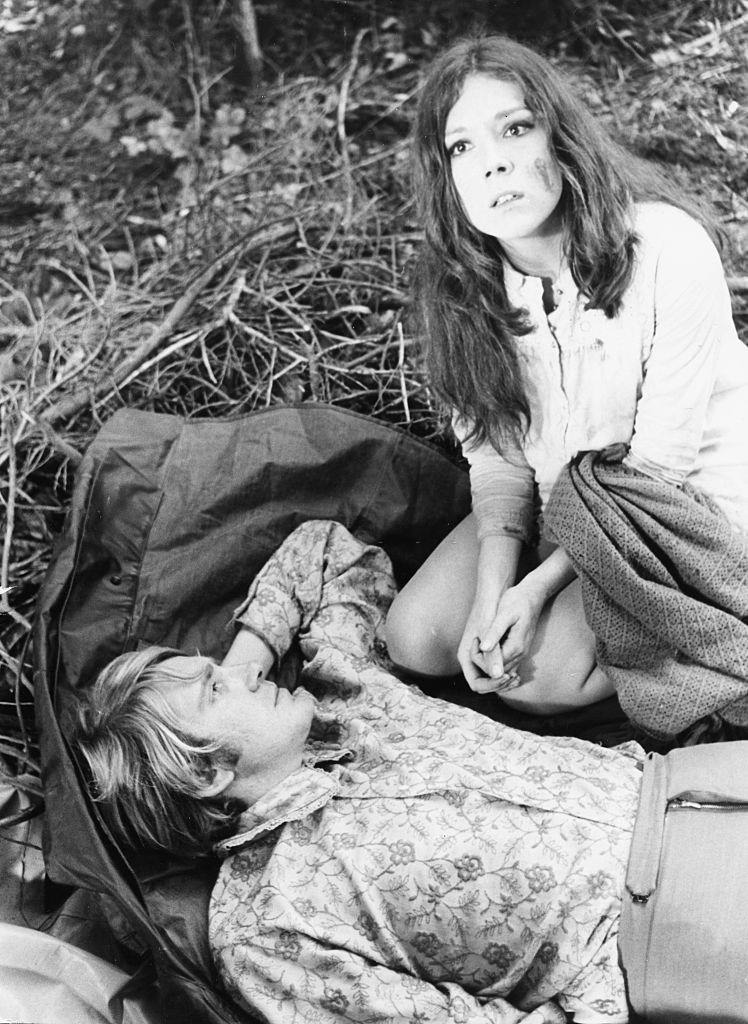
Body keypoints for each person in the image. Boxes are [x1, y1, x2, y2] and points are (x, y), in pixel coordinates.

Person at [72, 519, 644, 1024]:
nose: (242, 675)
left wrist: (243, 672)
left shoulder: (345, 696)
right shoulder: (264, 926)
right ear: (205, 775)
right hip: (651, 933)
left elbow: (325, 552)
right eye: (214, 687)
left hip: (672, 783)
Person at [384, 34, 748, 717]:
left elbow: (656, 472)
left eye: (515, 130)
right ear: (447, 180)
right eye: (462, 148)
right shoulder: (465, 294)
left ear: (561, 139)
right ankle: (545, 612)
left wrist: (533, 591)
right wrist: (493, 592)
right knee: (417, 638)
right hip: (563, 508)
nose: (494, 166)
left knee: (537, 681)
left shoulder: (667, 247)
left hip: (672, 513)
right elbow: (498, 464)